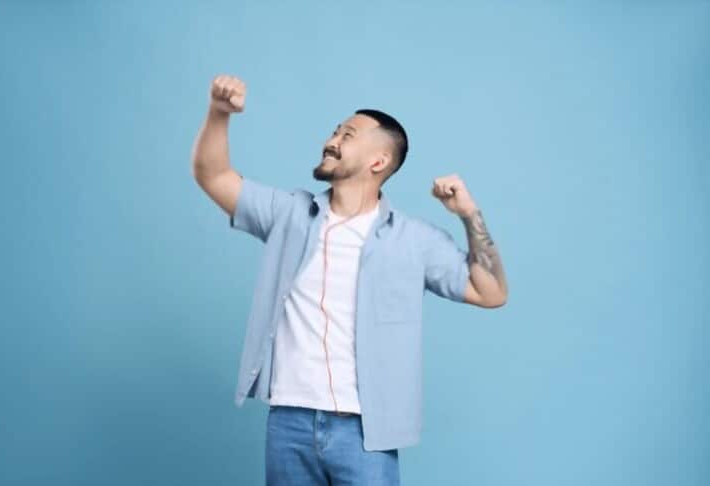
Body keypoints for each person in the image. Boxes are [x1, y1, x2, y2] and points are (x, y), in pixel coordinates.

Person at [192, 74, 509, 486]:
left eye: (348, 134)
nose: (332, 139)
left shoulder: (413, 240)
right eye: (334, 130)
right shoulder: (288, 214)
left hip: (364, 433)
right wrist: (220, 113)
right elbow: (212, 175)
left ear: (378, 161)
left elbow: (492, 292)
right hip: (288, 421)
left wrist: (469, 214)